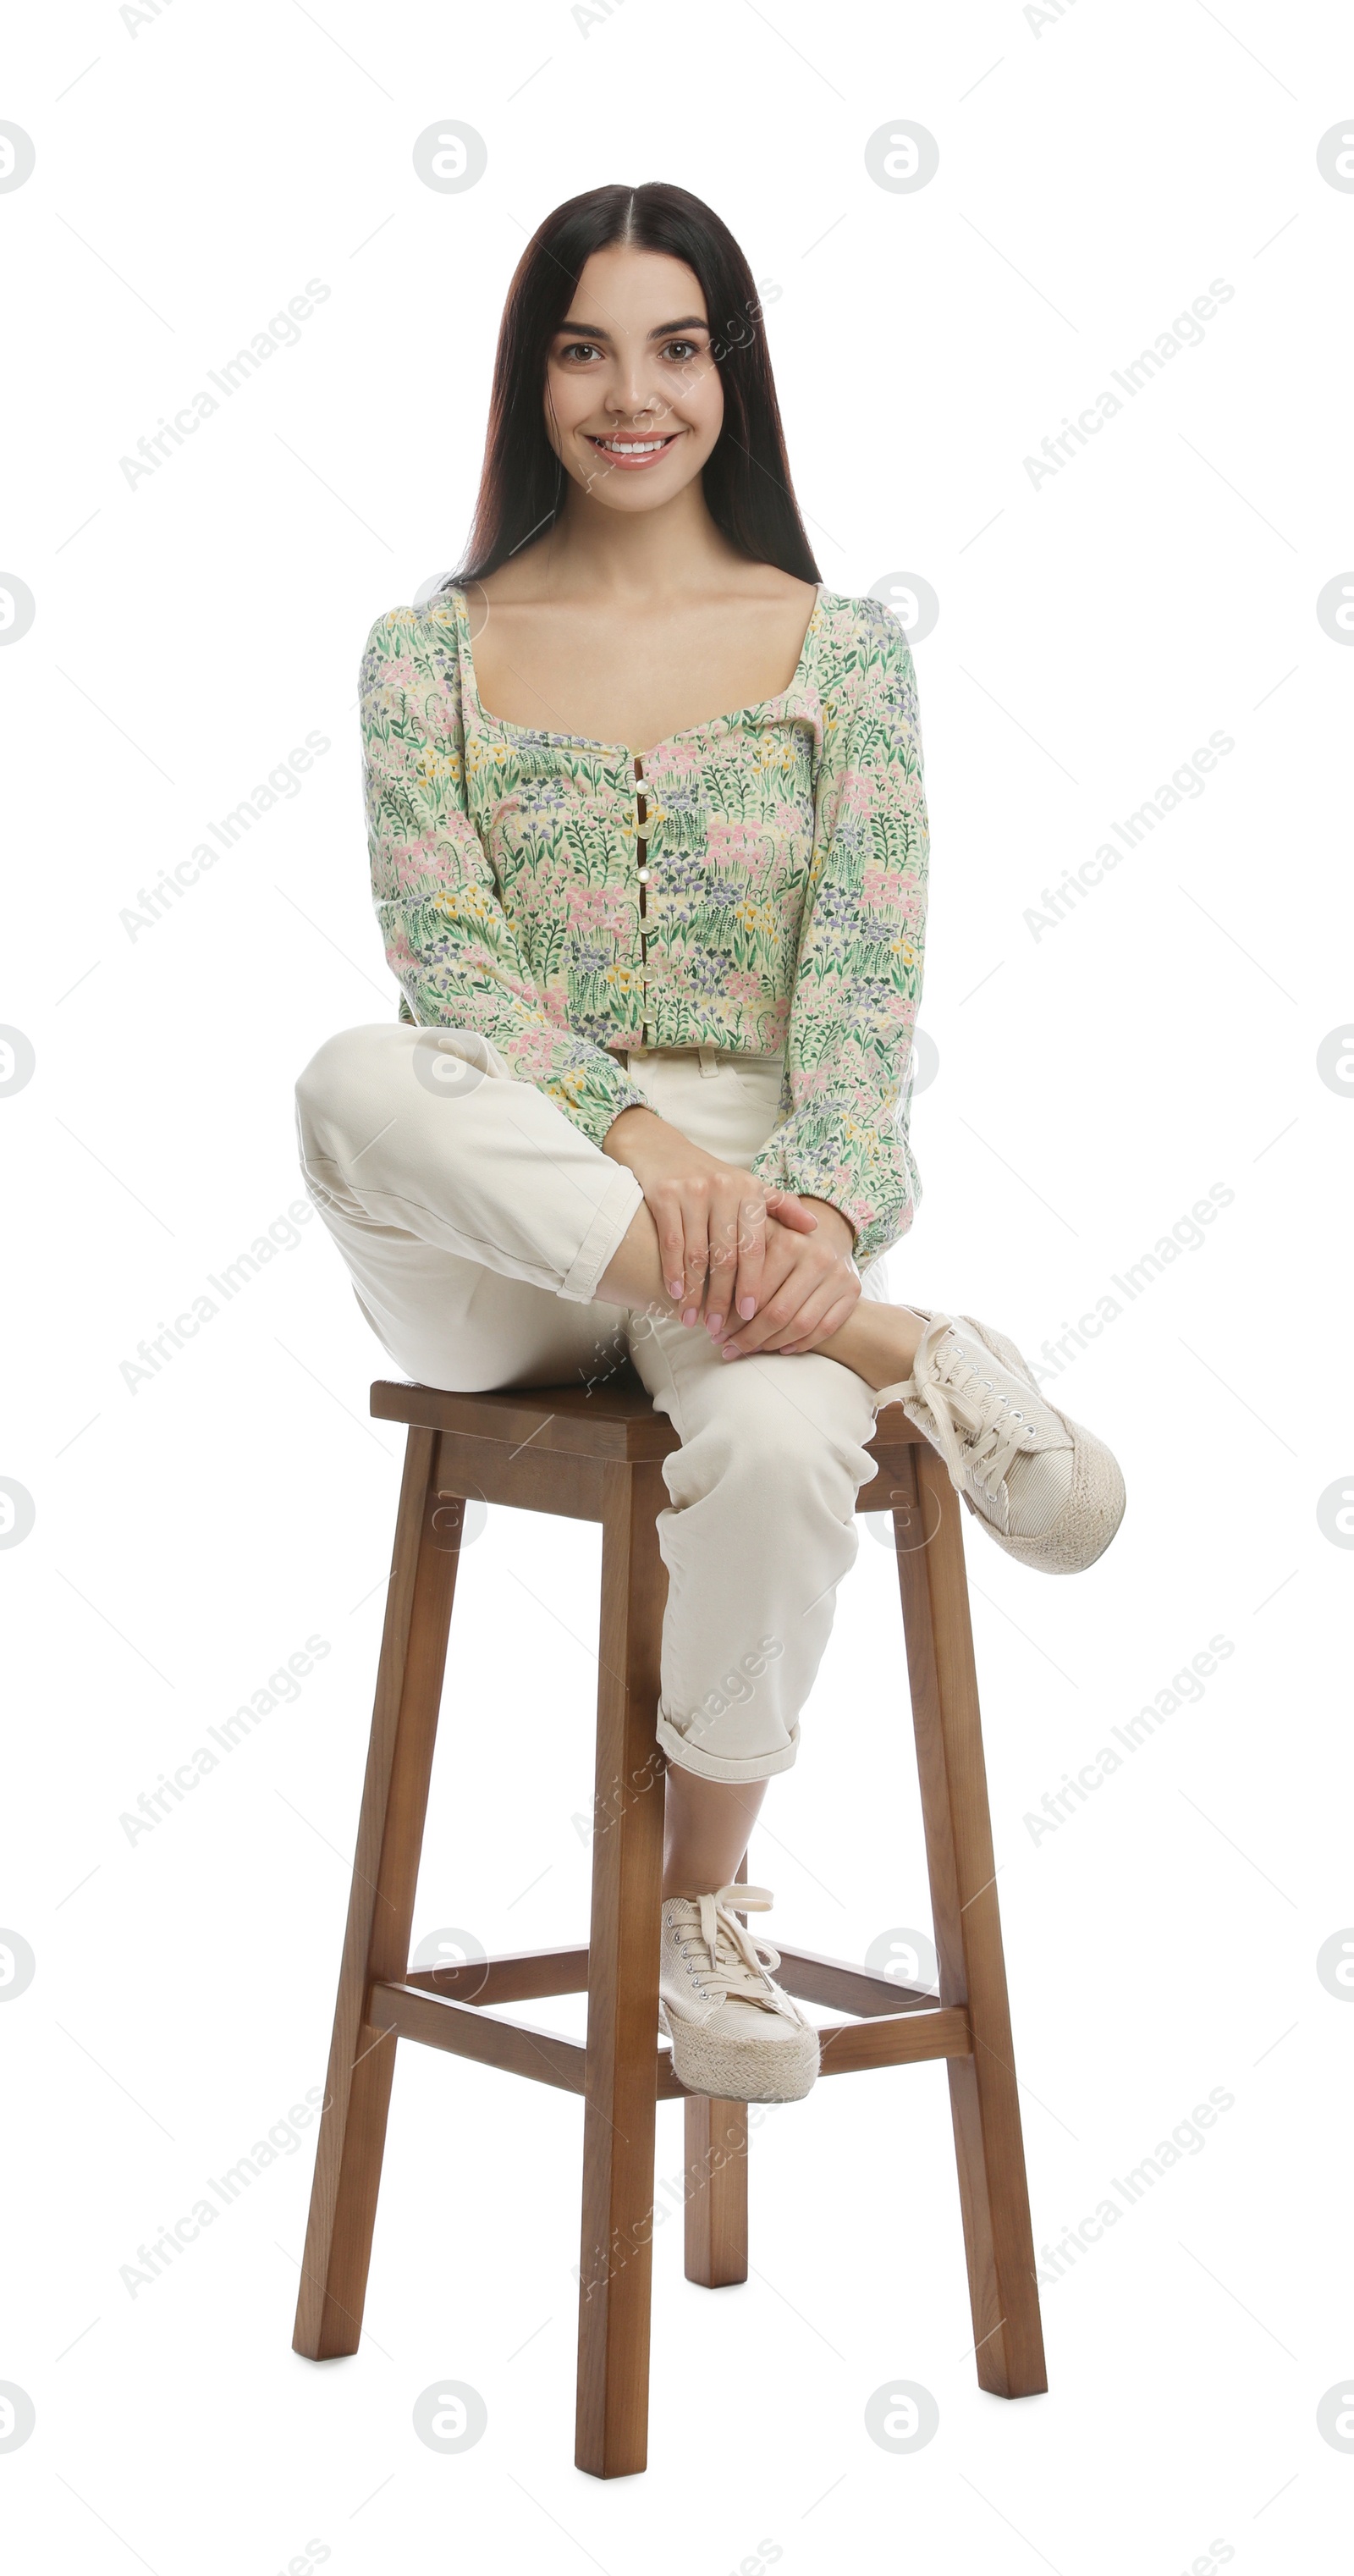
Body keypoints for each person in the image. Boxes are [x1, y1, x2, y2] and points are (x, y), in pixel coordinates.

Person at [294, 180, 1125, 2110]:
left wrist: (812, 1204)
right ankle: (907, 1355)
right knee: (352, 1073)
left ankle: (702, 1907)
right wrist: (652, 1149)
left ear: (730, 373)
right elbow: (454, 974)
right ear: (533, 377)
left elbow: (862, 987)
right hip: (512, 1198)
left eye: (674, 345)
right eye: (583, 347)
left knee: (762, 1437)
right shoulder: (423, 654)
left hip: (767, 1209)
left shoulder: (841, 652)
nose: (628, 393)